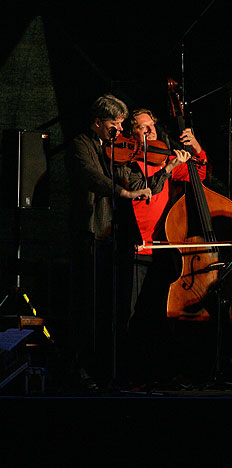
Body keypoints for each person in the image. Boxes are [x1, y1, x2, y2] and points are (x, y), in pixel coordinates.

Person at [66, 94, 170, 390]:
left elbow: (138, 184)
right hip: (91, 231)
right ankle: (82, 370)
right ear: (98, 123)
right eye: (115, 124)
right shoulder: (81, 145)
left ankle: (109, 370)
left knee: (113, 306)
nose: (121, 130)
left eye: (123, 123)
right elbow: (92, 178)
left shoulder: (118, 150)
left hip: (116, 235)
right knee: (89, 304)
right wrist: (123, 194)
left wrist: (164, 170)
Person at [125, 108, 206, 385]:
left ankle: (160, 372)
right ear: (131, 133)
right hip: (139, 247)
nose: (150, 132)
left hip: (165, 247)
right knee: (134, 315)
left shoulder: (164, 158)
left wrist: (194, 148)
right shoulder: (129, 162)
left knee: (160, 314)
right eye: (142, 128)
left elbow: (200, 173)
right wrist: (168, 168)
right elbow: (143, 191)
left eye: (152, 127)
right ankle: (131, 374)